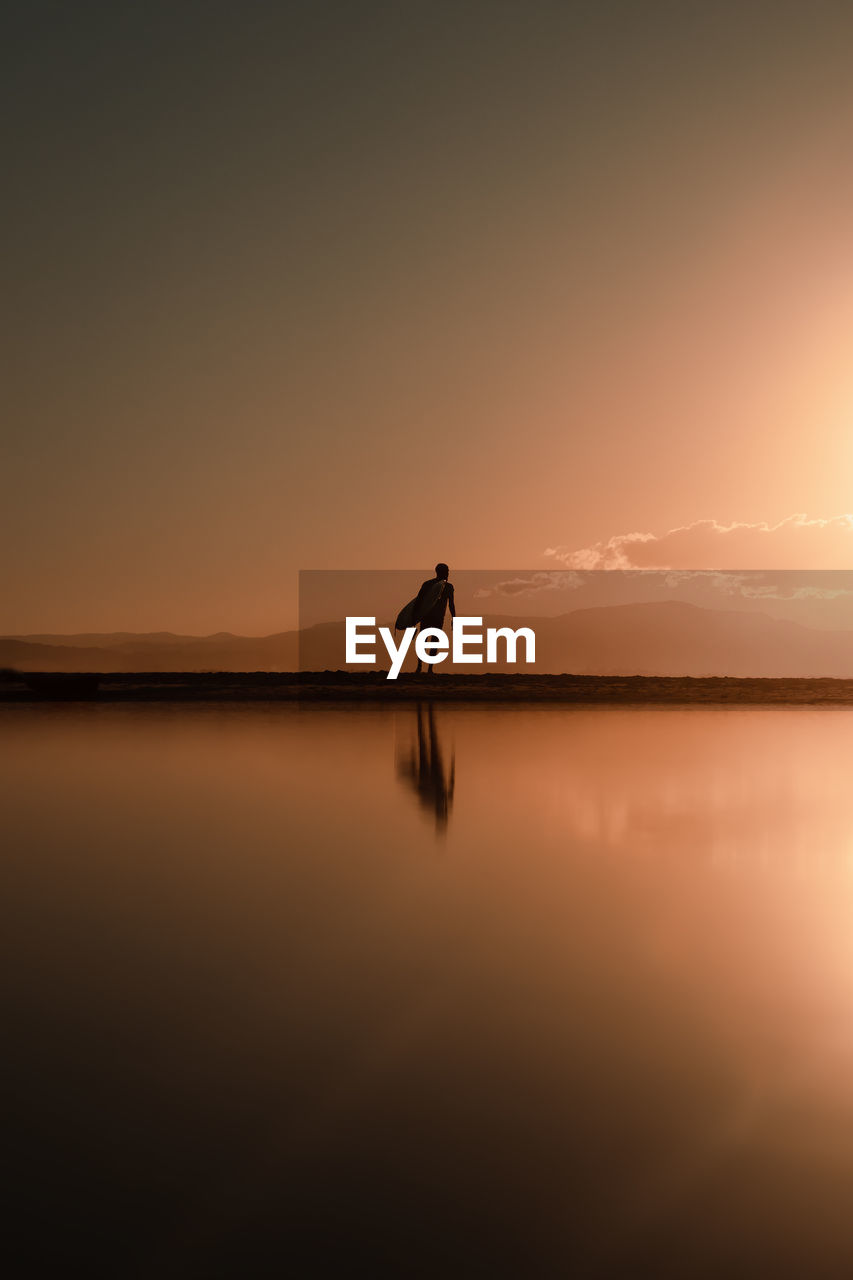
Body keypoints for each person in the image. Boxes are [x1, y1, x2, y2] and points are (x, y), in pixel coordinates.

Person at [414, 562, 455, 675]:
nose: (448, 574)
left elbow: (451, 604)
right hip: (430, 617)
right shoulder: (430, 585)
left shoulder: (432, 585)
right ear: (440, 572)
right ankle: (423, 667)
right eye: (446, 572)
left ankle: (426, 668)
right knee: (427, 641)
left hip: (433, 617)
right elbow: (419, 601)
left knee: (430, 641)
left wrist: (454, 619)